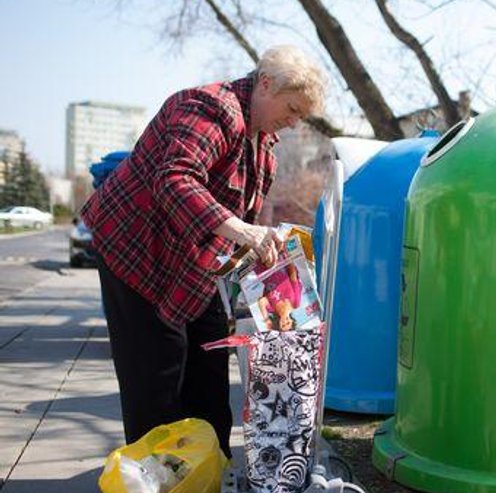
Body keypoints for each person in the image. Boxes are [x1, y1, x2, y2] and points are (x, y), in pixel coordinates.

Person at [80, 45, 325, 458]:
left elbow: (238, 217)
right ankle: (154, 475)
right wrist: (244, 231)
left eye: (302, 114)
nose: (295, 120)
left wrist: (259, 250)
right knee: (157, 367)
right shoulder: (210, 109)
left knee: (210, 357)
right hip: (136, 247)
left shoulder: (262, 145)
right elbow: (175, 179)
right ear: (266, 84)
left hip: (189, 259)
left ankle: (208, 466)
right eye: (293, 108)